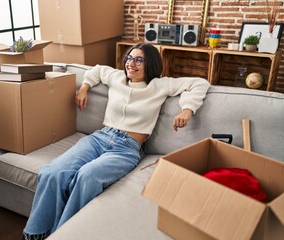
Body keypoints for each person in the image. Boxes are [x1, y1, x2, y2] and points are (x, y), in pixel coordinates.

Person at [23, 43, 210, 240]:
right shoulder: (116, 77)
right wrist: (84, 88)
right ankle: (34, 234)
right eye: (129, 58)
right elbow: (96, 71)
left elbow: (199, 83)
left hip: (126, 148)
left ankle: (61, 235)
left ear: (151, 64)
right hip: (99, 138)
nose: (131, 63)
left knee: (87, 177)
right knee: (53, 172)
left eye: (139, 60)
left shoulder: (160, 85)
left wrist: (187, 109)